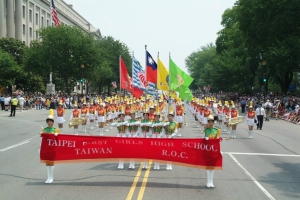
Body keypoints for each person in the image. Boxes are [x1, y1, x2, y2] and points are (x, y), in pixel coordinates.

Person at [40, 109, 60, 184]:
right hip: (46, 148)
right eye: (48, 121)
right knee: (47, 163)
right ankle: (48, 177)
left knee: (51, 163)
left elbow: (59, 140)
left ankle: (51, 177)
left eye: (51, 121)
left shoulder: (56, 130)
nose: (49, 123)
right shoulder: (44, 130)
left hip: (52, 148)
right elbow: (42, 141)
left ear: (53, 122)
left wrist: (57, 135)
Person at [203, 115, 220, 188]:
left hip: (214, 150)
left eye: (211, 122)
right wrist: (205, 139)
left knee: (212, 167)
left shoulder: (216, 130)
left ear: (213, 122)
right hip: (207, 150)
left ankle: (211, 181)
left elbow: (218, 141)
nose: (210, 123)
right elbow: (201, 140)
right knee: (208, 166)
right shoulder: (205, 130)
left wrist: (219, 151)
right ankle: (208, 181)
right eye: (209, 122)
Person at [139, 104, 152, 169]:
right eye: (144, 115)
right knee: (142, 151)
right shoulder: (141, 121)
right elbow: (139, 128)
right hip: (142, 135)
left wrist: (149, 135)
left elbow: (151, 129)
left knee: (147, 151)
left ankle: (146, 163)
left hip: (147, 136)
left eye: (147, 115)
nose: (145, 116)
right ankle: (143, 163)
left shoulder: (150, 121)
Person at [127, 105, 140, 169]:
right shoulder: (128, 121)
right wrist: (128, 134)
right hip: (130, 135)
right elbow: (127, 129)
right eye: (131, 114)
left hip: (135, 135)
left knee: (134, 150)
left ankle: (133, 163)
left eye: (133, 114)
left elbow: (138, 129)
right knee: (129, 150)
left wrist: (135, 134)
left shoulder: (137, 121)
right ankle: (130, 163)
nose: (132, 115)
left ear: (135, 115)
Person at [151, 106, 164, 170]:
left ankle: (158, 164)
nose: (156, 118)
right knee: (153, 151)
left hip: (159, 136)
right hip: (154, 136)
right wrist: (152, 134)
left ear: (159, 117)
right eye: (155, 116)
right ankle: (155, 164)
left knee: (158, 151)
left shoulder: (161, 123)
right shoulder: (152, 123)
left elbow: (162, 131)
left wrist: (160, 135)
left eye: (157, 117)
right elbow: (151, 130)